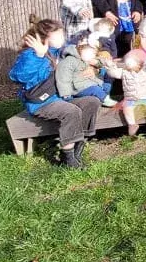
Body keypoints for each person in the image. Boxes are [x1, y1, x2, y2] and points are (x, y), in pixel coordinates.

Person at [9, 15, 100, 168]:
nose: (62, 38)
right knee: (71, 112)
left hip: (61, 97)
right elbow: (17, 76)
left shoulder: (59, 52)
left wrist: (90, 69)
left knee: (92, 102)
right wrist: (38, 56)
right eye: (57, 36)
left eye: (61, 34)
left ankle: (77, 148)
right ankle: (67, 159)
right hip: (42, 102)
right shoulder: (31, 54)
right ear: (45, 38)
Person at [104, 49, 146, 136]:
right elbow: (114, 73)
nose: (130, 66)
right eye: (128, 64)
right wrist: (110, 66)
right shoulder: (124, 72)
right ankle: (132, 125)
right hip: (132, 98)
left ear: (140, 63)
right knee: (127, 108)